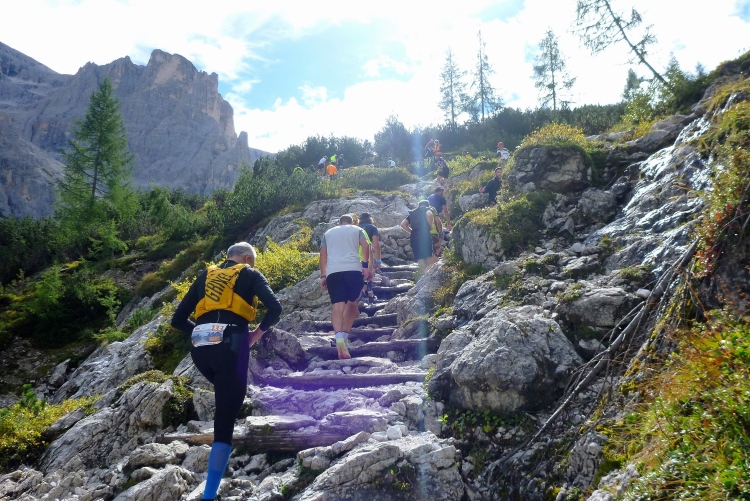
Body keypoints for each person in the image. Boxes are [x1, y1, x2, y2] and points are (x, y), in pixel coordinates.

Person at [170, 242, 282, 501]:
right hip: (231, 344)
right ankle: (209, 494)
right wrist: (255, 335)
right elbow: (275, 308)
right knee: (226, 417)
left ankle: (217, 475)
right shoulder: (250, 273)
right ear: (246, 258)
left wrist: (202, 332)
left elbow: (177, 319)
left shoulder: (205, 275)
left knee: (226, 397)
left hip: (200, 349)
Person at [319, 215, 372, 359]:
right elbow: (366, 246)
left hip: (333, 272)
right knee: (352, 304)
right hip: (353, 270)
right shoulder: (357, 229)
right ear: (352, 222)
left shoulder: (328, 233)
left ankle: (339, 339)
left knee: (337, 306)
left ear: (339, 223)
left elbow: (323, 254)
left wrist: (323, 275)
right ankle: (344, 336)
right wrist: (365, 266)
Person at [400, 199, 437, 273]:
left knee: (420, 258)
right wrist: (430, 226)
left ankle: (423, 275)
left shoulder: (412, 213)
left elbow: (403, 224)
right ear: (427, 205)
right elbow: (429, 214)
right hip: (424, 235)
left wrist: (411, 231)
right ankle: (428, 275)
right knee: (429, 257)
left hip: (414, 236)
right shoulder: (427, 209)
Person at [358, 212, 382, 304]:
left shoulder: (355, 228)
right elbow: (376, 245)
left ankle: (360, 295)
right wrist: (378, 261)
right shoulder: (372, 228)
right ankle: (369, 293)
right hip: (366, 253)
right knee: (369, 273)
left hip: (354, 254)